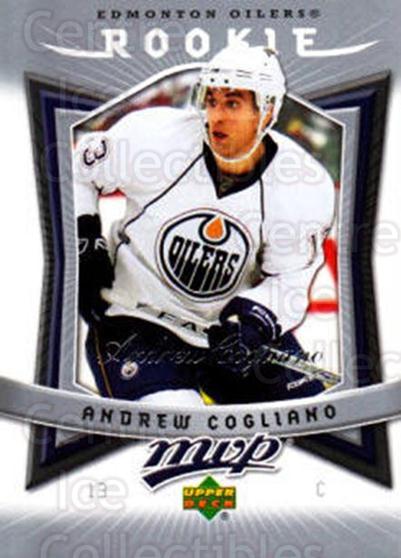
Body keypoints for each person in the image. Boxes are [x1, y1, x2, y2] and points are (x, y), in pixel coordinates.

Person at [73, 44, 335, 406]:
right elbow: (77, 172)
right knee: (181, 431)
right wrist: (85, 242)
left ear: (267, 111)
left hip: (227, 335)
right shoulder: (156, 139)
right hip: (135, 321)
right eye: (211, 101)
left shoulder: (301, 184)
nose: (217, 117)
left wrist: (255, 321)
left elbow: (290, 279)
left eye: (233, 103)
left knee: (313, 424)